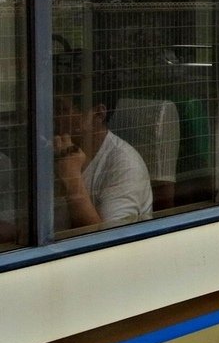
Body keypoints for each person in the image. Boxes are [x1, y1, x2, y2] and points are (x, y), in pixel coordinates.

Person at [53, 76, 152, 232]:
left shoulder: (125, 164)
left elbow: (107, 240)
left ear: (98, 115)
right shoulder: (51, 150)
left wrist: (72, 179)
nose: (54, 118)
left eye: (62, 110)